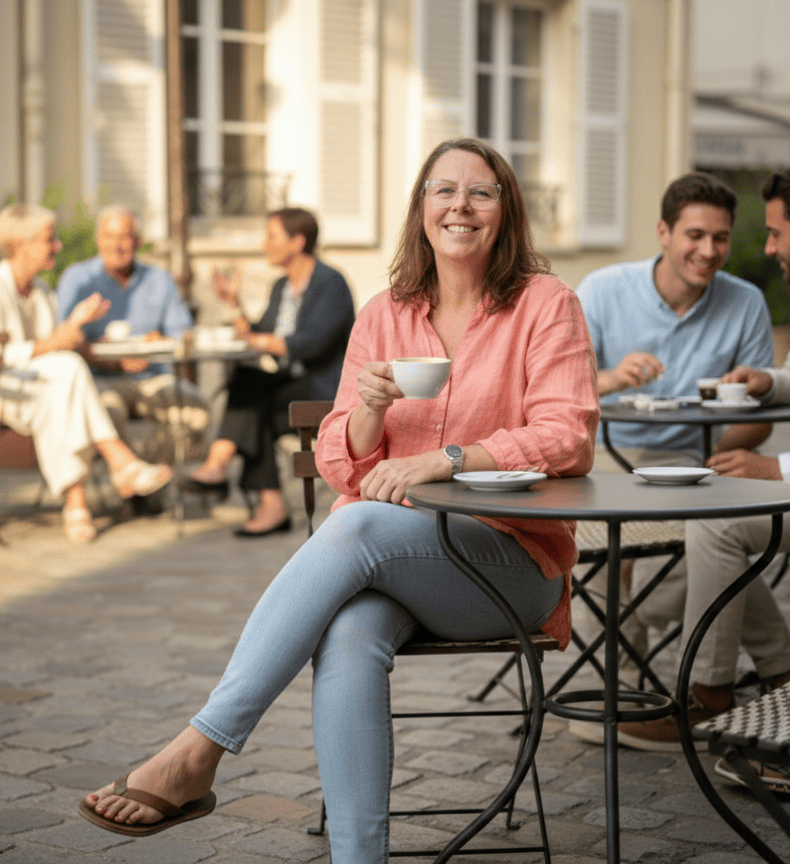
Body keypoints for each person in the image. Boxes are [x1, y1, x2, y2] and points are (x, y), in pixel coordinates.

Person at [79, 139, 600, 863]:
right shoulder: (387, 313)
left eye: (480, 193)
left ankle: (200, 746)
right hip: (401, 562)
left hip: (510, 562)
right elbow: (341, 460)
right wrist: (367, 414)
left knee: (353, 527)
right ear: (420, 210)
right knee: (350, 630)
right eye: (442, 191)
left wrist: (444, 460)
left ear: (505, 210)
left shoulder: (546, 304)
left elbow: (566, 435)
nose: (460, 206)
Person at [613, 161, 790, 797]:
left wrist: (782, 467)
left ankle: (709, 693)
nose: (766, 247)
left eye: (775, 234)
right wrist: (768, 380)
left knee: (720, 519)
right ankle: (787, 679)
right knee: (718, 514)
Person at [0, 204, 172, 544]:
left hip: (34, 397)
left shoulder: (39, 292)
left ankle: (78, 505)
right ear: (21, 245)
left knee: (63, 389)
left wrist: (75, 328)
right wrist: (58, 339)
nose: (57, 246)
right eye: (49, 239)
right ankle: (119, 462)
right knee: (66, 373)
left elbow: (55, 349)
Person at [577, 172, 774, 469]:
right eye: (695, 236)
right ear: (663, 233)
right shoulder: (601, 290)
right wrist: (614, 378)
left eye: (720, 238)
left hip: (697, 459)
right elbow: (556, 389)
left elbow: (761, 415)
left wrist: (710, 456)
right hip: (603, 452)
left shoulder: (747, 302)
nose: (708, 251)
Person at [184, 207, 355, 536]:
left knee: (249, 392)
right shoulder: (281, 286)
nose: (265, 244)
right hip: (289, 387)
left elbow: (311, 343)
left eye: (271, 236)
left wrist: (257, 339)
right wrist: (234, 305)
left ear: (297, 242)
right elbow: (262, 332)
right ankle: (269, 503)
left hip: (324, 391)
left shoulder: (330, 283)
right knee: (251, 400)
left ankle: (222, 463)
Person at [56, 206, 209, 464]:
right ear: (98, 239)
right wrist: (110, 360)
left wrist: (159, 344)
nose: (117, 246)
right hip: (99, 378)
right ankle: (132, 483)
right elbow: (64, 338)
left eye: (125, 237)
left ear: (138, 242)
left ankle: (150, 478)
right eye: (109, 236)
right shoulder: (78, 279)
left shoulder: (159, 279)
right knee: (104, 412)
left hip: (152, 377)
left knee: (196, 411)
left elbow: (182, 333)